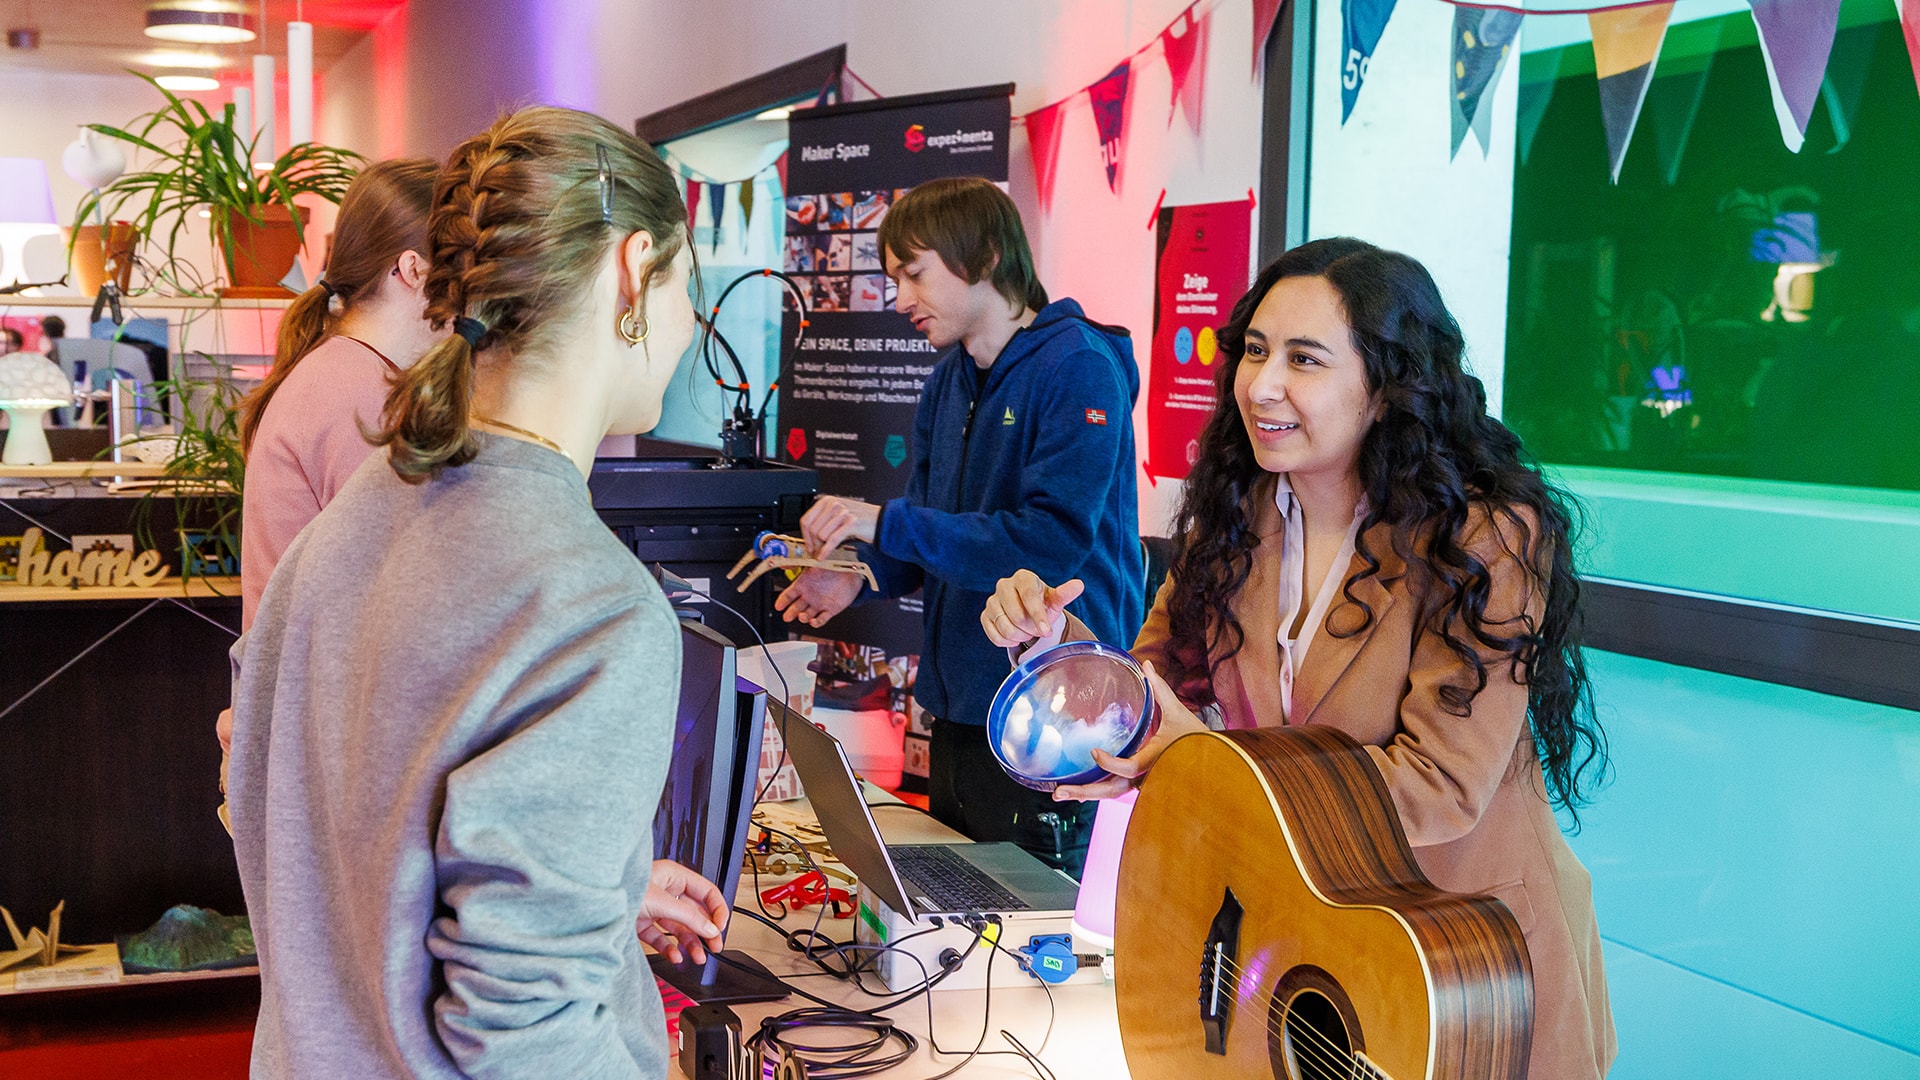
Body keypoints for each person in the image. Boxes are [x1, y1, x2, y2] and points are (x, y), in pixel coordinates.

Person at [982, 238, 1616, 1078]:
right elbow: (1157, 690)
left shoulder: (1484, 539)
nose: (1262, 385)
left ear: (1388, 387)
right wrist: (1061, 658)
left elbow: (1440, 788)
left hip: (1465, 967)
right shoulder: (1233, 516)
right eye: (1254, 350)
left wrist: (1207, 763)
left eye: (1305, 359)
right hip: (1304, 965)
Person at [227, 107, 727, 1079]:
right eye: (685, 283)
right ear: (633, 270)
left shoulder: (351, 522)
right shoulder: (597, 607)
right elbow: (522, 1038)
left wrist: (598, 888)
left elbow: (323, 828)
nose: (691, 323)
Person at [777, 177, 1143, 876]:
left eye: (914, 274)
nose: (900, 299)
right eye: (892, 279)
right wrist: (859, 580)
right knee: (954, 930)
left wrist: (881, 521)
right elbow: (935, 534)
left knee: (1033, 947)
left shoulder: (1079, 369)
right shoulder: (947, 381)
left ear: (983, 257)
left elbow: (1047, 546)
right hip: (957, 710)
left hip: (1056, 724)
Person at [236, 156, 440, 631]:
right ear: (413, 268)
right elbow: (403, 597)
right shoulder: (362, 395)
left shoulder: (347, 368)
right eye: (468, 262)